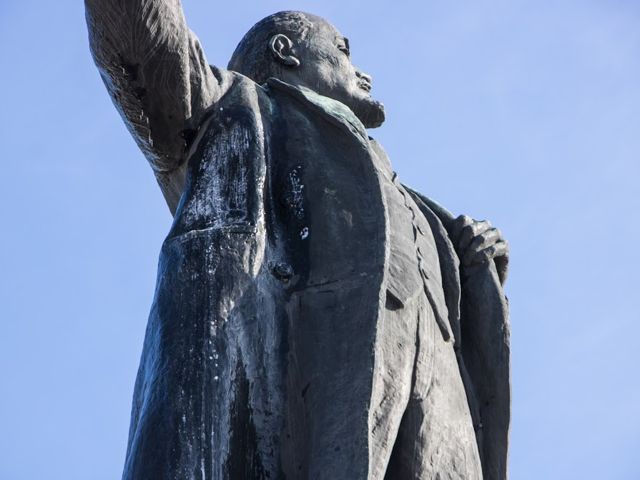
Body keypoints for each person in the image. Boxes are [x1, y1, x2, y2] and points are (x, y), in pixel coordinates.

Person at [85, 5, 510, 479]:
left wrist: (476, 266)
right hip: (295, 406)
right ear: (285, 52)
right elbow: (154, 53)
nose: (362, 71)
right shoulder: (237, 110)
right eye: (342, 51)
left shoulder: (425, 213)